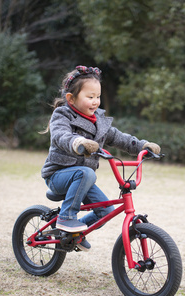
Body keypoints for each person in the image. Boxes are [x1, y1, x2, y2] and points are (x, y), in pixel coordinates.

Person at [41, 65, 160, 251]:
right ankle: (66, 218)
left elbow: (120, 138)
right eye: (90, 97)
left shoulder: (99, 122)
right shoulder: (62, 114)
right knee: (87, 173)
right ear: (71, 98)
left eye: (97, 97)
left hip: (82, 178)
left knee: (105, 211)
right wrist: (78, 143)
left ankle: (74, 236)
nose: (95, 101)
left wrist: (142, 146)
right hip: (58, 175)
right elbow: (60, 136)